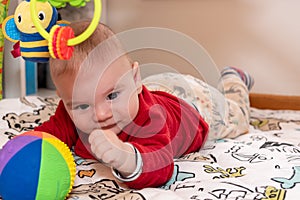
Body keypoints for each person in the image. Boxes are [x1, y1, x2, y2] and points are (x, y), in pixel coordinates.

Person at [35, 20, 254, 189]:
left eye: (111, 96)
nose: (100, 114)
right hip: (156, 88)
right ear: (64, 99)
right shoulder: (71, 109)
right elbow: (45, 136)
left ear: (135, 78)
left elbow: (161, 166)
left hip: (198, 107)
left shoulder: (151, 120)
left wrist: (125, 156)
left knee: (236, 112)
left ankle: (233, 78)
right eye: (82, 106)